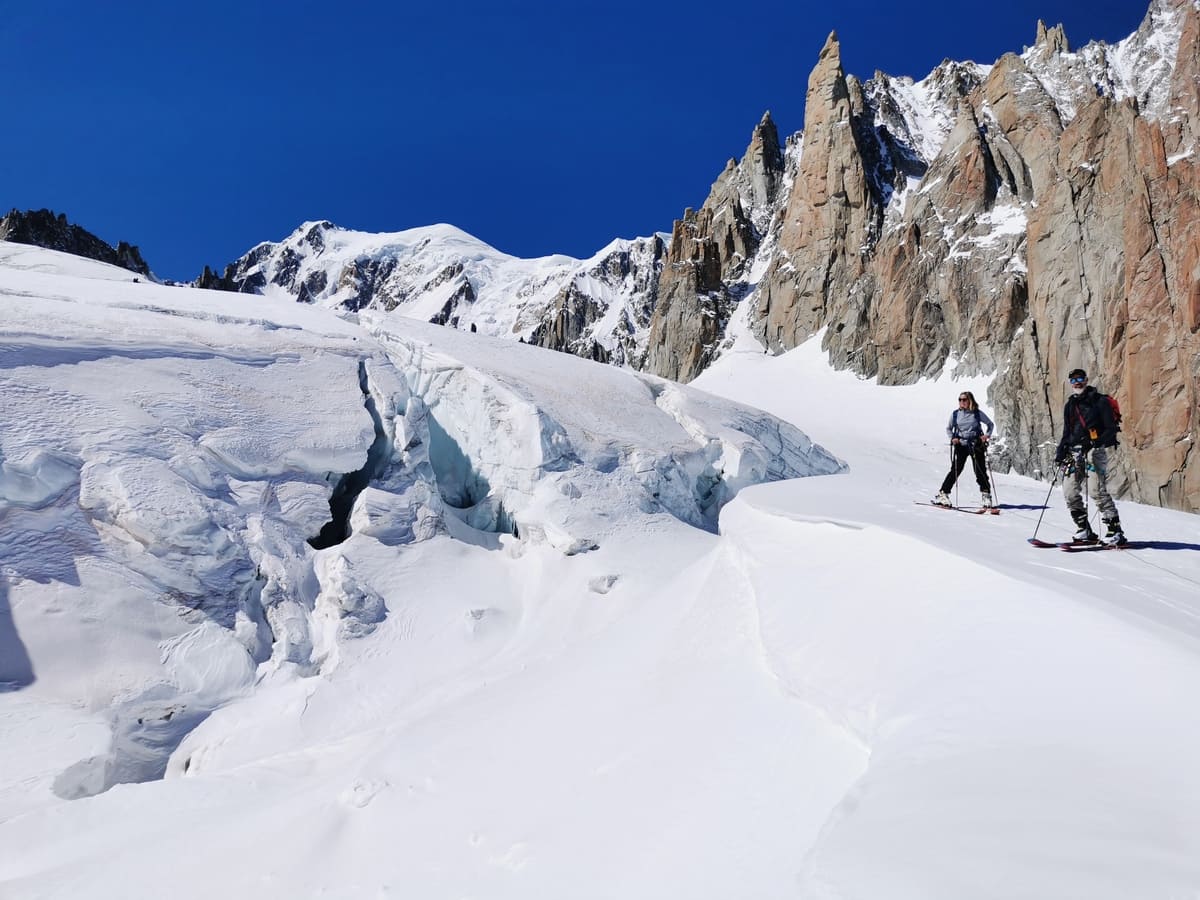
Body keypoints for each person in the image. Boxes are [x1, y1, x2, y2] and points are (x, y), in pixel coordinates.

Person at [1053, 368, 1125, 544]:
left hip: (1095, 451)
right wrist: (1061, 450)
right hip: (1074, 452)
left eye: (1080, 379)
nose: (1076, 382)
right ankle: (1083, 528)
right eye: (1073, 380)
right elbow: (1067, 431)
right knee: (1069, 491)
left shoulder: (1099, 401)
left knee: (1096, 490)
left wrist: (1094, 442)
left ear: (1086, 380)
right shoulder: (1070, 404)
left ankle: (1115, 531)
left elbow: (1111, 429)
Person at [933, 391, 994, 508]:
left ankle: (986, 495)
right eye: (960, 400)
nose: (961, 402)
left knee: (980, 470)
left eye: (964, 399)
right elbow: (949, 429)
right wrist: (953, 438)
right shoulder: (955, 414)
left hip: (976, 444)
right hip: (961, 444)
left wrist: (986, 435)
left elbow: (990, 424)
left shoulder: (977, 413)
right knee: (956, 469)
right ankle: (943, 494)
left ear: (970, 400)